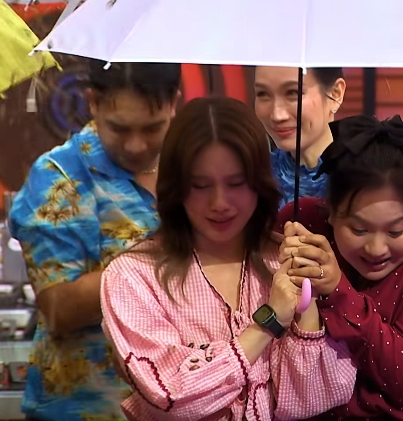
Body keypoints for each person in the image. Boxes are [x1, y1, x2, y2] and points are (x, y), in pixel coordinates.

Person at [100, 97, 356, 421]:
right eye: (200, 185)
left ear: (259, 184)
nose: (219, 203)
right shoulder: (133, 276)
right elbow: (171, 395)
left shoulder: (285, 261)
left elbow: (315, 398)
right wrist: (268, 323)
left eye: (236, 183)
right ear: (176, 188)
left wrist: (308, 306)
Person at [9, 60, 181, 421]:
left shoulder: (193, 165)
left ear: (174, 103)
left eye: (153, 128)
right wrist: (168, 254)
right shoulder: (59, 176)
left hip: (180, 402)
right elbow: (59, 308)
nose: (136, 145)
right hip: (86, 407)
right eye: (119, 128)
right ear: (93, 102)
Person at [275, 113, 403, 420]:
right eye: (359, 230)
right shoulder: (306, 224)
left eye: (395, 231)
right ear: (331, 213)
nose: (376, 248)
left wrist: (337, 291)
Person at [253, 66, 345, 209]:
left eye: (293, 92)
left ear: (335, 93)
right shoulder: (256, 176)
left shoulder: (364, 177)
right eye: (263, 94)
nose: (277, 115)